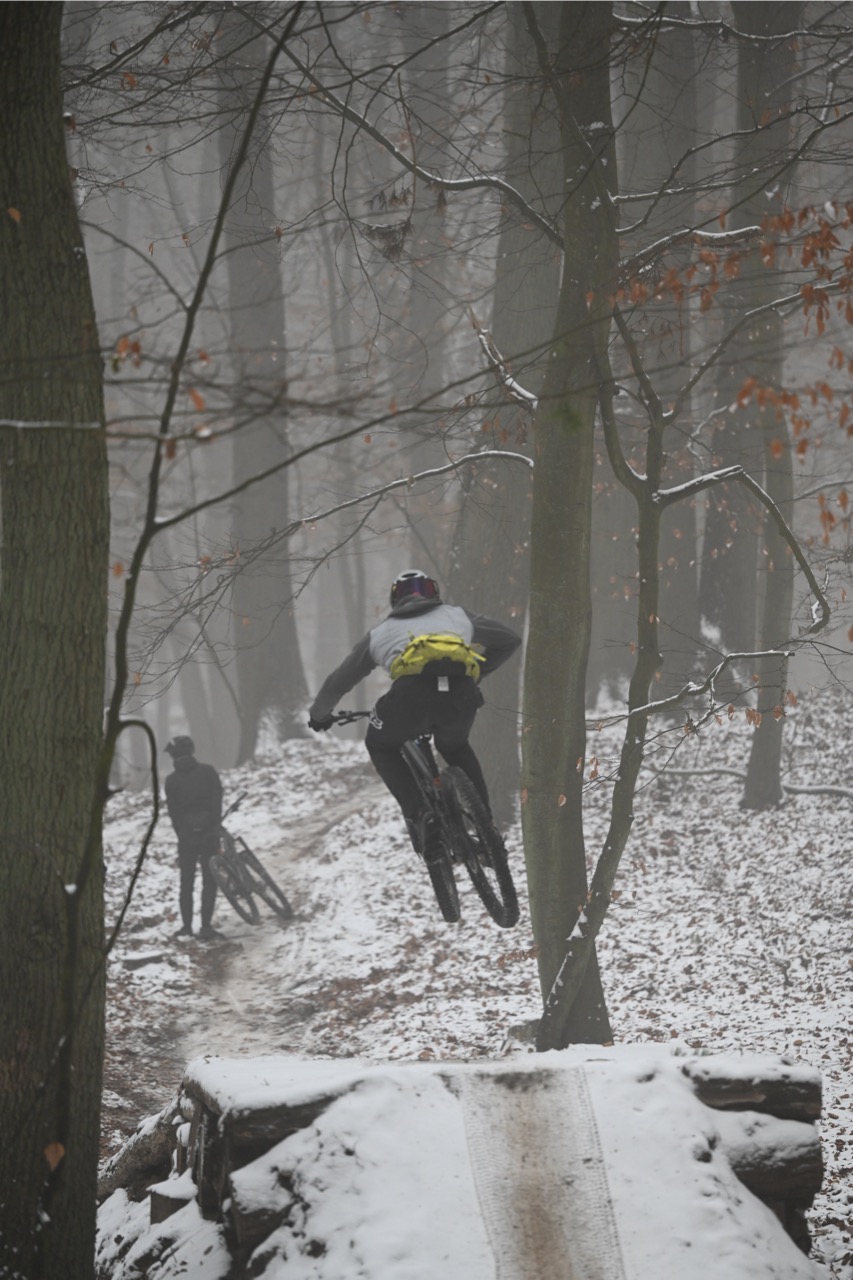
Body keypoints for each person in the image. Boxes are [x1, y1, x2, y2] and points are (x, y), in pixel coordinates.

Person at [308, 569, 521, 861]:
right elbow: (509, 639)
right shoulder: (458, 616)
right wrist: (476, 674)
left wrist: (319, 715)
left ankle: (421, 814)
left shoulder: (380, 633)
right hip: (461, 694)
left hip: (410, 698)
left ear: (395, 599)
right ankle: (488, 830)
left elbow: (339, 681)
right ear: (434, 593)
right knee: (456, 748)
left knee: (380, 744)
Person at [164, 735, 224, 941]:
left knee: (186, 882)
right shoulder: (208, 772)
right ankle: (206, 926)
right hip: (209, 833)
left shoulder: (171, 781)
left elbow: (173, 814)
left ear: (173, 756)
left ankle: (187, 927)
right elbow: (217, 802)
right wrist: (215, 828)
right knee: (210, 880)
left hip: (186, 836)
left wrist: (182, 834)